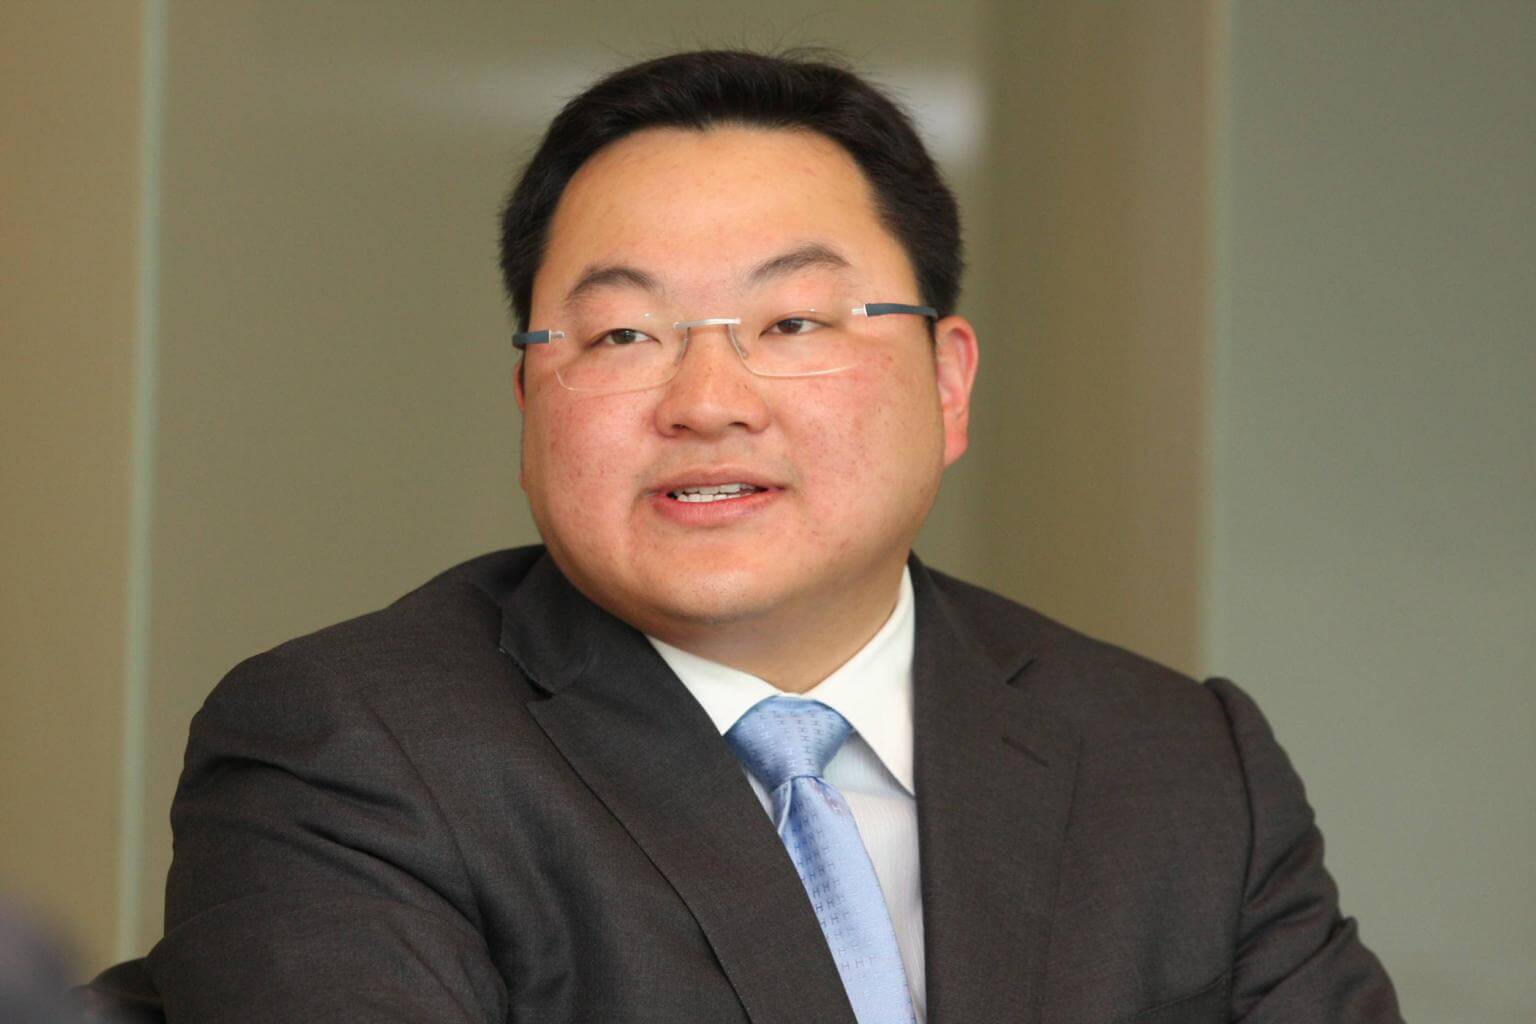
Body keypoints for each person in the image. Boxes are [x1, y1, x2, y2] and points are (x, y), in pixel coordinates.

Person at [144, 49, 1403, 1022]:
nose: (707, 402)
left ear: (948, 382)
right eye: (623, 334)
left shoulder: (1181, 766)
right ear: (529, 397)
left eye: (794, 324)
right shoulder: (349, 750)